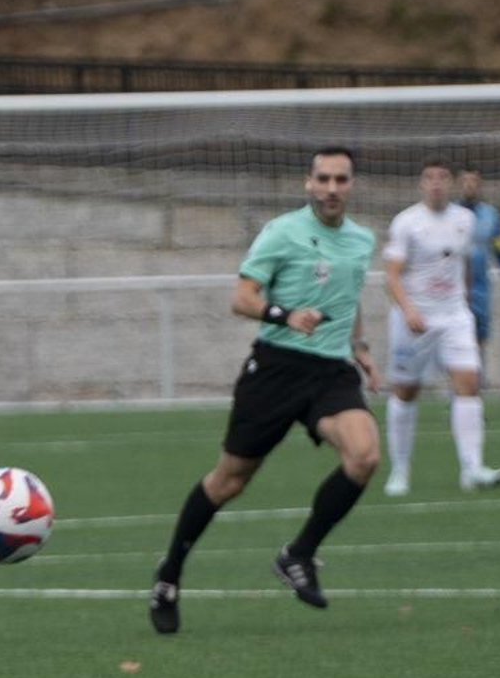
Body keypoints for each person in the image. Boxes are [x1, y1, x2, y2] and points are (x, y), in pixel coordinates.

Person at [148, 147, 380, 634]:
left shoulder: (361, 241)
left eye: (341, 179)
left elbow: (350, 295)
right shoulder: (283, 232)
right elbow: (242, 298)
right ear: (308, 183)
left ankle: (299, 554)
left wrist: (360, 347)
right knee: (229, 481)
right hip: (276, 368)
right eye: (324, 178)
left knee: (364, 455)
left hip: (331, 371)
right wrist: (286, 315)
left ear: (352, 185)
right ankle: (169, 574)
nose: (332, 188)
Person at [383, 159, 500, 495]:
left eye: (442, 177)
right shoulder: (406, 222)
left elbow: (464, 265)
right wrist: (407, 309)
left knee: (468, 383)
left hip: (454, 316)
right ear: (421, 184)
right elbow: (392, 274)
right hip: (415, 319)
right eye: (429, 178)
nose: (436, 183)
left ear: (450, 183)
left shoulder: (465, 221)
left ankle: (472, 469)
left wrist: (464, 304)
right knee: (406, 391)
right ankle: (399, 471)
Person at [458, 165, 500, 386]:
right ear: (459, 184)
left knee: (479, 340)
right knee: (457, 340)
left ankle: (476, 390)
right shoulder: (451, 214)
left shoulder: (490, 215)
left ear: (479, 185)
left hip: (481, 289)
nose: (470, 186)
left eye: (474, 182)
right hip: (455, 289)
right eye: (466, 181)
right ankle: (458, 391)